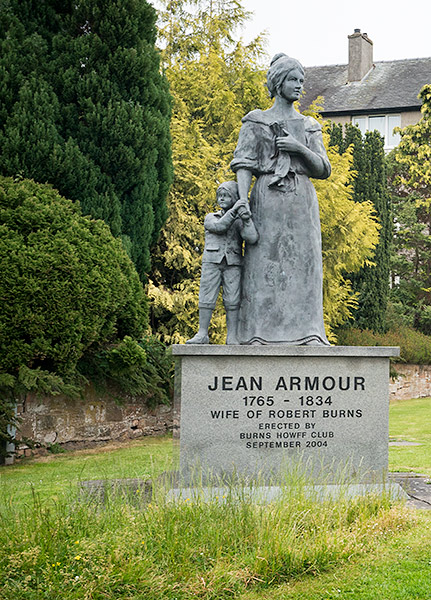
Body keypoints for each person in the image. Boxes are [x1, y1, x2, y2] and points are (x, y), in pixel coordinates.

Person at [231, 53, 331, 345]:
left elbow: (323, 169)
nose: (299, 85)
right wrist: (242, 204)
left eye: (301, 80)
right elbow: (243, 164)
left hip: (301, 199)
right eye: (293, 80)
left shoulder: (309, 125)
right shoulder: (256, 121)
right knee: (263, 264)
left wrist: (298, 147)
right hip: (267, 199)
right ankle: (257, 333)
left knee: (306, 265)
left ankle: (310, 333)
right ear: (278, 82)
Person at [186, 181, 258, 345]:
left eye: (227, 196)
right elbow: (219, 227)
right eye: (220, 196)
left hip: (233, 263)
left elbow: (252, 238)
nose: (222, 199)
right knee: (207, 296)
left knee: (232, 299)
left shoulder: (239, 220)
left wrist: (246, 220)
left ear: (234, 198)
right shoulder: (211, 217)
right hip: (212, 262)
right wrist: (234, 211)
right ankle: (202, 333)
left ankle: (232, 336)